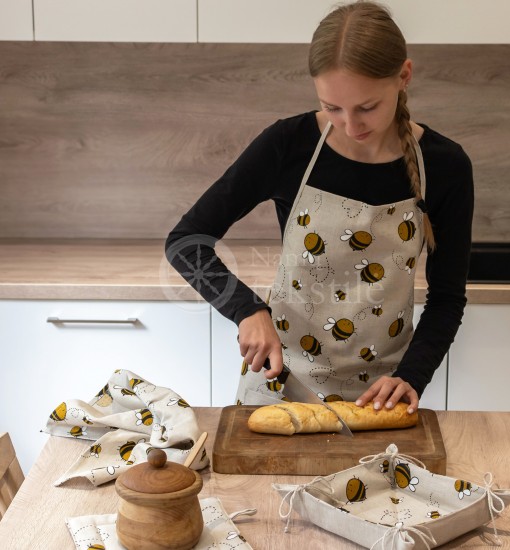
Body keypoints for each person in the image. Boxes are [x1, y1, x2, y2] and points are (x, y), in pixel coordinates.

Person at [166, 1, 473, 414]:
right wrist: (248, 311)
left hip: (382, 399)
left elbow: (448, 298)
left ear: (403, 76)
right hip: (281, 386)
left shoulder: (445, 165)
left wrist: (410, 377)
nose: (351, 124)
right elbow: (185, 242)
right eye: (332, 107)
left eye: (367, 107)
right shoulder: (287, 144)